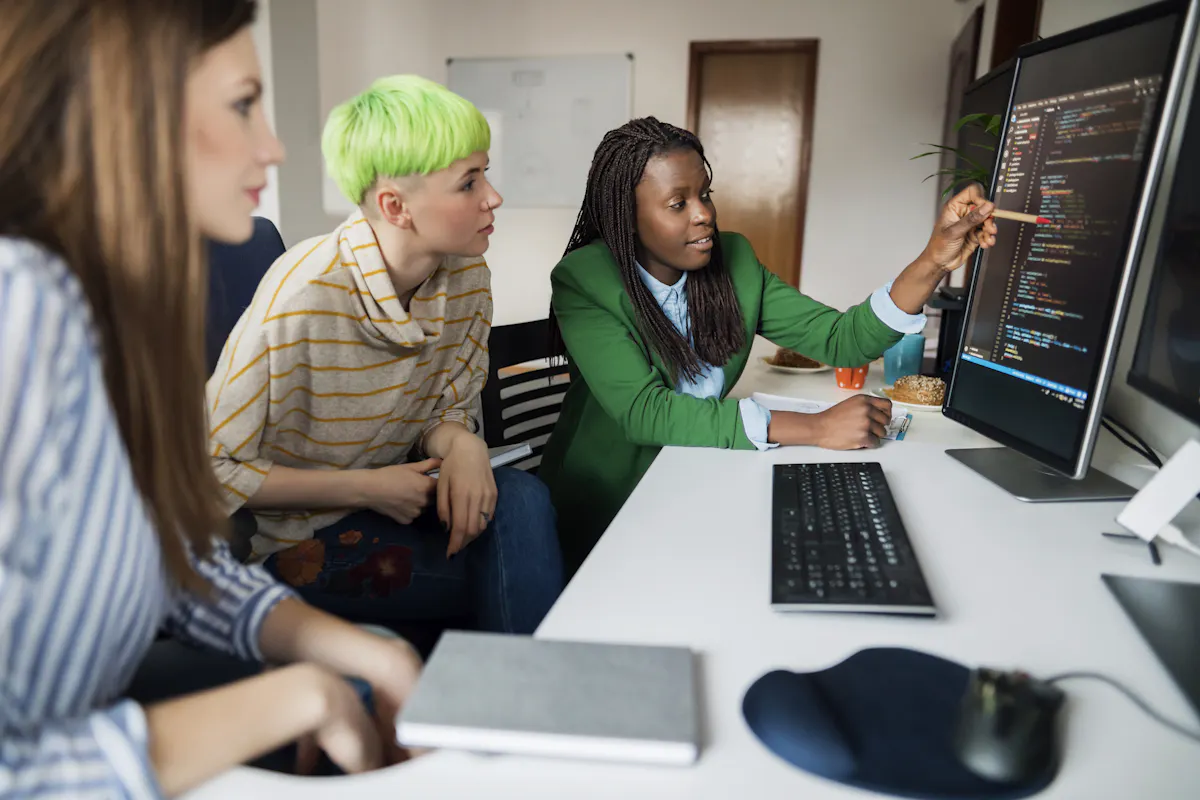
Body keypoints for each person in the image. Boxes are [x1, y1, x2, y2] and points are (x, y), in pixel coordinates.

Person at [0, 0, 430, 794]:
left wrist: (362, 653)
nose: (272, 144)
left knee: (369, 658)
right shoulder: (16, 301)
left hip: (97, 718)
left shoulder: (120, 314)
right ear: (120, 109)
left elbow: (177, 563)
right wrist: (294, 696)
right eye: (242, 104)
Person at [540, 117, 998, 574]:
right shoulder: (585, 279)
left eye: (705, 194)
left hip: (700, 471)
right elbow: (646, 412)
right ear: (627, 216)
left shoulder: (734, 260)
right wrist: (816, 428)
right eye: (677, 203)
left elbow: (843, 340)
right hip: (612, 503)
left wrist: (935, 258)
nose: (703, 214)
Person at [205, 75, 563, 634]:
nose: (493, 196)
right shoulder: (303, 296)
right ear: (396, 207)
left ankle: (520, 693)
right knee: (519, 580)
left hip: (400, 501)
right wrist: (366, 487)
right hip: (305, 538)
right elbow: (211, 469)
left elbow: (445, 408)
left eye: (485, 173)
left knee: (521, 496)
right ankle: (528, 702)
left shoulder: (467, 274)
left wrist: (464, 443)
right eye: (469, 182)